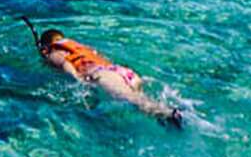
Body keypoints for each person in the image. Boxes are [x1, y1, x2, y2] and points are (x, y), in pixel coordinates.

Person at [30, 24, 183, 128]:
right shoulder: (81, 47)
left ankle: (168, 114)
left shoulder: (54, 51)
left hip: (102, 74)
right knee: (139, 99)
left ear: (45, 47)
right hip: (123, 72)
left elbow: (64, 64)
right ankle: (159, 113)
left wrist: (78, 80)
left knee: (133, 100)